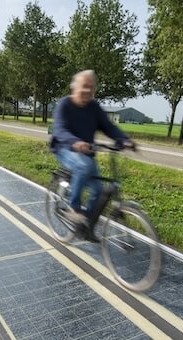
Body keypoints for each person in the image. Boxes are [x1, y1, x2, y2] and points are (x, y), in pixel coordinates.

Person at [50, 70, 134, 232]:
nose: (88, 90)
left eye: (91, 87)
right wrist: (75, 142)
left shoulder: (94, 107)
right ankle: (73, 208)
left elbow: (108, 127)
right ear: (74, 87)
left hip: (86, 153)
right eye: (84, 86)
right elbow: (59, 130)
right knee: (84, 165)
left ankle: (85, 225)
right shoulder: (64, 105)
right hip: (64, 148)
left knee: (99, 190)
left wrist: (124, 140)